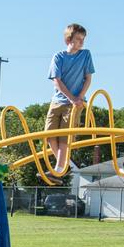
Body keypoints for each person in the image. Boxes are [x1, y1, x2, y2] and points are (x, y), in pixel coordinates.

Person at [46, 23, 95, 174]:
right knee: (49, 136)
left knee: (64, 138)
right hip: (58, 101)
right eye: (78, 39)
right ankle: (64, 165)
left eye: (83, 39)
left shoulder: (85, 54)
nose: (82, 42)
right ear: (68, 41)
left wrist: (78, 98)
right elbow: (57, 80)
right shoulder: (59, 57)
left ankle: (59, 169)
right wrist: (71, 97)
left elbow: (88, 78)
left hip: (75, 104)